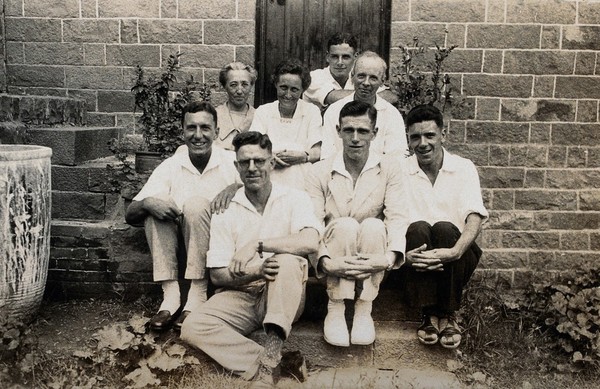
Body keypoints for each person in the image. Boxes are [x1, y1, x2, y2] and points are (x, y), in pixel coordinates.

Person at [180, 131, 321, 387]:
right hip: (241, 295)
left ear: (271, 163)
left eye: (259, 161)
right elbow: (218, 275)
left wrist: (258, 246)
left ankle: (268, 365)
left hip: (282, 296)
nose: (252, 168)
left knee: (287, 261)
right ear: (237, 166)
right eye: (245, 162)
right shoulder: (225, 209)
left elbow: (311, 241)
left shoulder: (295, 198)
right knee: (192, 326)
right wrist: (257, 270)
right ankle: (278, 360)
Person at [125, 101, 240, 331]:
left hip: (220, 248)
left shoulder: (231, 162)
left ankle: (197, 295)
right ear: (183, 131)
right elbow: (130, 214)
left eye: (205, 128)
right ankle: (171, 297)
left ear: (217, 132)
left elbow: (264, 189)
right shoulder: (172, 165)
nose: (198, 135)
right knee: (154, 209)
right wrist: (148, 203)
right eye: (191, 128)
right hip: (180, 245)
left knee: (197, 205)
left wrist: (236, 186)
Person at [305, 100, 408, 347]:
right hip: (335, 248)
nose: (355, 138)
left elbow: (397, 216)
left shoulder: (390, 168)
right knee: (345, 225)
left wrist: (388, 258)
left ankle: (364, 308)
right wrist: (324, 261)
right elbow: (311, 222)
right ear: (338, 131)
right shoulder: (319, 171)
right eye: (348, 130)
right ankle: (336, 307)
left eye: (362, 131)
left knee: (373, 225)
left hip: (372, 251)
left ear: (374, 133)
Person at [389, 104, 488, 349]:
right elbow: (392, 216)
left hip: (457, 256)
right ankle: (432, 316)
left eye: (430, 135)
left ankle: (445, 313)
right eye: (415, 137)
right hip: (415, 255)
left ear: (443, 135)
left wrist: (454, 251)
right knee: (419, 228)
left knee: (444, 228)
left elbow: (474, 217)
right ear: (408, 140)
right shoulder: (399, 170)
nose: (423, 143)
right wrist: (403, 255)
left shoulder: (463, 167)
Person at [249, 59, 322, 190]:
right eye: (283, 88)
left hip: (301, 179)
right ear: (276, 84)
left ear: (302, 90)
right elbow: (254, 147)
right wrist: (270, 157)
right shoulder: (263, 111)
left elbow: (317, 151)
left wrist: (303, 156)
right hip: (270, 174)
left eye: (294, 89)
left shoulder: (312, 111)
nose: (288, 95)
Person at [321, 51, 407, 160]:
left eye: (373, 78)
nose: (366, 83)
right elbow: (328, 155)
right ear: (352, 77)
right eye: (361, 76)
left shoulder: (392, 115)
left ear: (382, 81)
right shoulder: (334, 111)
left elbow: (397, 158)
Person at [303, 33, 397, 111]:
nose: (340, 62)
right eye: (335, 57)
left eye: (345, 57)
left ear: (355, 57)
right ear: (327, 57)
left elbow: (391, 97)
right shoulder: (315, 77)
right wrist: (369, 95)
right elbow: (334, 98)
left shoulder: (359, 77)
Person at [214, 62, 257, 150]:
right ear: (224, 86)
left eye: (245, 84)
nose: (239, 91)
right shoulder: (214, 116)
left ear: (251, 86)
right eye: (233, 85)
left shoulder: (259, 117)